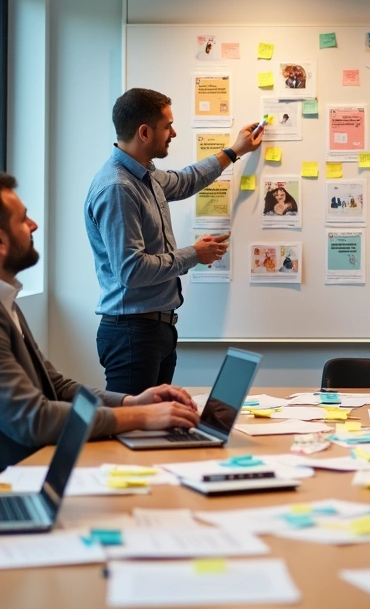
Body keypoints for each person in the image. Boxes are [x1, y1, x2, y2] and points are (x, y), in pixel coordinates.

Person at [0, 174, 201, 472]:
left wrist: (130, 404)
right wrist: (142, 418)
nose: (34, 225)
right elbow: (35, 420)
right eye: (23, 219)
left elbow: (55, 387)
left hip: (27, 466)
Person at [85, 88, 261, 394]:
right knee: (131, 430)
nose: (173, 133)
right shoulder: (118, 188)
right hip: (132, 333)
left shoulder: (145, 177)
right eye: (167, 125)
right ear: (144, 132)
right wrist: (194, 254)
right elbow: (132, 271)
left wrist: (234, 151)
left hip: (154, 330)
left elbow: (186, 180)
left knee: (153, 428)